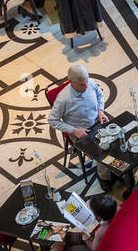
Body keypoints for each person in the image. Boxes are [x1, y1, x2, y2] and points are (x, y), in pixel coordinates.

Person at [47, 63, 112, 191]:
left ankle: (116, 169)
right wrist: (74, 130)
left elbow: (100, 95)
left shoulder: (90, 83)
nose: (86, 86)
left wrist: (100, 110)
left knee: (116, 139)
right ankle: (104, 178)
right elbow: (52, 120)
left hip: (97, 121)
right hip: (81, 132)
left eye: (87, 81)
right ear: (71, 83)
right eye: (82, 84)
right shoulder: (63, 99)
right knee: (102, 151)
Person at [37, 191, 116, 251]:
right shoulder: (117, 214)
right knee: (65, 237)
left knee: (64, 248)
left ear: (98, 215)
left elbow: (94, 249)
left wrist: (87, 239)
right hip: (103, 242)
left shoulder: (101, 231)